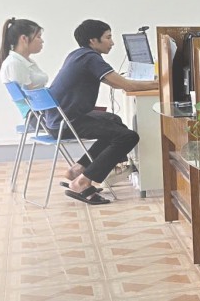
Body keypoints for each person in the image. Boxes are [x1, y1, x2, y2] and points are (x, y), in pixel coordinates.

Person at [47, 19, 159, 205]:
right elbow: (126, 85)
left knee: (113, 120)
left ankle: (78, 169)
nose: (112, 42)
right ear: (93, 41)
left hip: (59, 119)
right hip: (67, 122)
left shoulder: (78, 55)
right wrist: (159, 83)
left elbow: (117, 83)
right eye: (108, 37)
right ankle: (82, 182)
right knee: (128, 137)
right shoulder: (90, 58)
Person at [0, 17, 48, 89]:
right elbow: (29, 94)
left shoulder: (27, 61)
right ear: (24, 38)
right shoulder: (14, 63)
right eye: (38, 37)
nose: (42, 41)